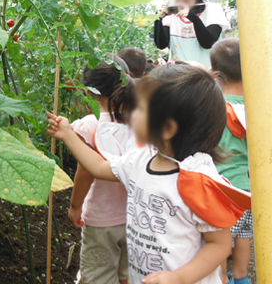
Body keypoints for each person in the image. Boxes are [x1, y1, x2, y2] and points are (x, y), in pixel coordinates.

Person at [48, 64, 250, 284]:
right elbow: (98, 167)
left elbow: (219, 245)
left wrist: (179, 277)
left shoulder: (199, 179)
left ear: (166, 129)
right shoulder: (140, 158)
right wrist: (67, 135)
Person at [69, 58, 135, 284]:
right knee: (128, 275)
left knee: (99, 277)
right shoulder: (139, 122)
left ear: (88, 92)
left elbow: (85, 172)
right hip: (136, 217)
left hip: (101, 219)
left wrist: (75, 206)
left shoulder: (89, 126)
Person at [211, 39, 252, 284]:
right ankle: (240, 276)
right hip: (245, 185)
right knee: (243, 234)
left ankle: (219, 278)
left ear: (215, 73)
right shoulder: (256, 108)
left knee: (219, 236)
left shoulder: (214, 107)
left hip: (218, 184)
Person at [154, 0, 229, 68]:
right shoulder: (171, 12)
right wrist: (158, 19)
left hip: (205, 75)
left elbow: (207, 43)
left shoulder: (212, 9)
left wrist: (192, 17)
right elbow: (161, 44)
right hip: (178, 75)